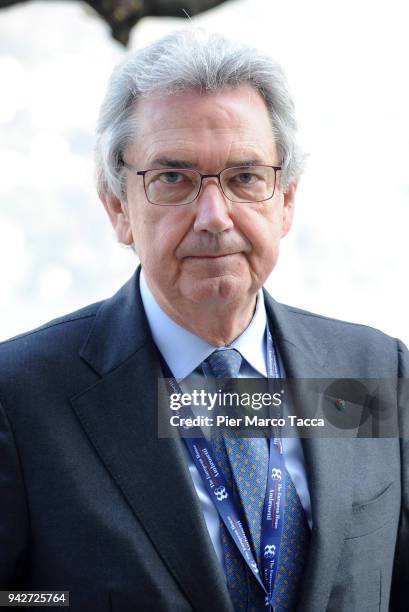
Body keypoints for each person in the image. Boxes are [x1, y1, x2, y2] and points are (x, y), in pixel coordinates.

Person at [0, 29, 407, 612]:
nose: (215, 217)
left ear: (286, 199)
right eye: (174, 179)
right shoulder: (21, 397)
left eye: (245, 177)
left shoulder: (375, 371)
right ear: (118, 207)